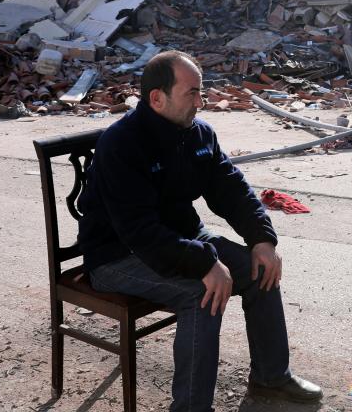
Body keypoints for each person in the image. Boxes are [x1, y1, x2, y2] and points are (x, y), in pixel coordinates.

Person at [77, 50, 322, 411]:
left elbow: (231, 189)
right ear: (157, 98)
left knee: (260, 270)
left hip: (181, 239)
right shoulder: (122, 144)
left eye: (201, 92)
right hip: (117, 255)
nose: (201, 102)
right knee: (201, 293)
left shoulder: (197, 134)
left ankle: (271, 379)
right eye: (191, 93)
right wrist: (204, 263)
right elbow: (139, 231)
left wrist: (261, 239)